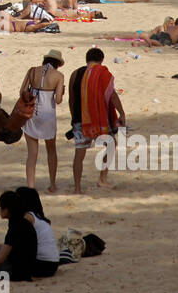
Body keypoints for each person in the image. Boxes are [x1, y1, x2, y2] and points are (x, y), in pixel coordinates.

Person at [67, 47, 123, 193]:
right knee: (111, 144)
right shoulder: (102, 73)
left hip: (80, 119)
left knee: (79, 154)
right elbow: (112, 95)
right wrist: (121, 113)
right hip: (99, 119)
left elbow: (71, 99)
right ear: (101, 60)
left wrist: (74, 118)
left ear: (86, 59)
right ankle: (102, 179)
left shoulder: (75, 74)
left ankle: (77, 188)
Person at [20, 50, 66, 193]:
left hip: (31, 113)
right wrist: (61, 93)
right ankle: (52, 184)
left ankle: (31, 186)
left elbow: (22, 91)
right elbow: (58, 100)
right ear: (58, 64)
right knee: (51, 150)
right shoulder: (58, 76)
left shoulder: (32, 71)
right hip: (48, 115)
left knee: (32, 153)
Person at [15, 187, 61, 278]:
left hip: (42, 264)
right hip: (53, 264)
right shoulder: (39, 217)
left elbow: (19, 243)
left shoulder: (28, 217)